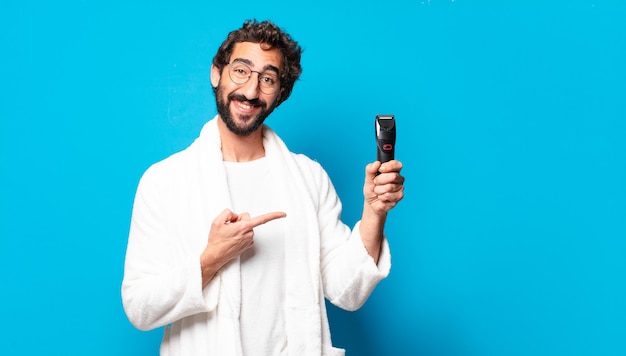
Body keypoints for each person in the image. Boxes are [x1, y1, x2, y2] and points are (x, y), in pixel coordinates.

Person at [121, 19, 405, 356]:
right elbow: (139, 307)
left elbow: (349, 291)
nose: (252, 91)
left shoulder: (308, 178)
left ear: (280, 95)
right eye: (241, 71)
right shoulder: (164, 181)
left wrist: (374, 213)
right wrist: (211, 259)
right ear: (217, 73)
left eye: (267, 79)